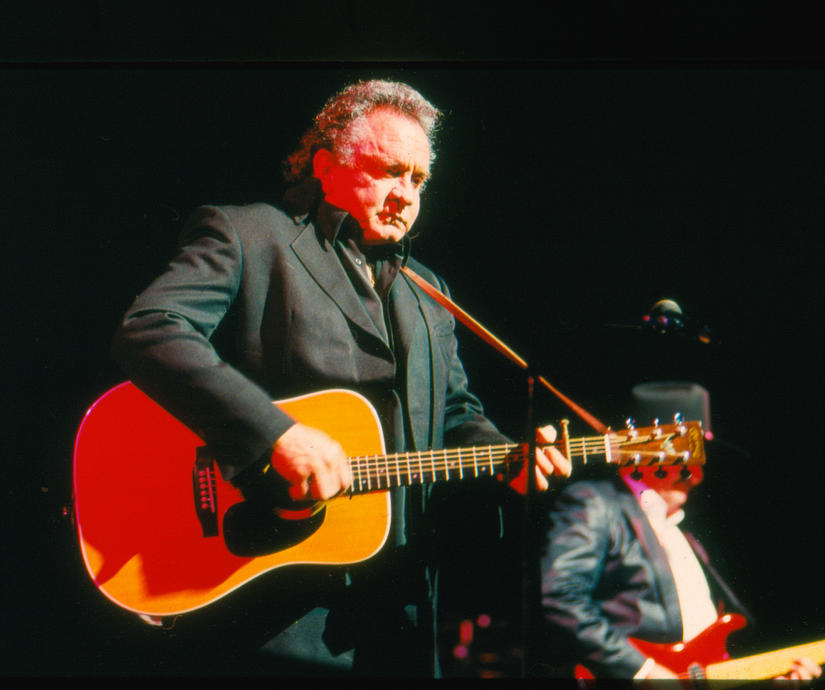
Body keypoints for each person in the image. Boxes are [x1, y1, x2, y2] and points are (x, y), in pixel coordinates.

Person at [110, 78, 570, 677]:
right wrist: (275, 432)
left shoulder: (430, 293)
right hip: (272, 603)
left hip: (399, 615)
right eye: (389, 170)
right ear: (325, 166)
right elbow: (150, 327)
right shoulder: (250, 235)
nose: (405, 194)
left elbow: (455, 411)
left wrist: (511, 458)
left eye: (418, 180)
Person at [539, 382, 823, 682]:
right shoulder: (596, 502)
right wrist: (643, 672)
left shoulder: (682, 534)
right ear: (648, 448)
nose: (697, 476)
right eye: (688, 456)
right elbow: (561, 598)